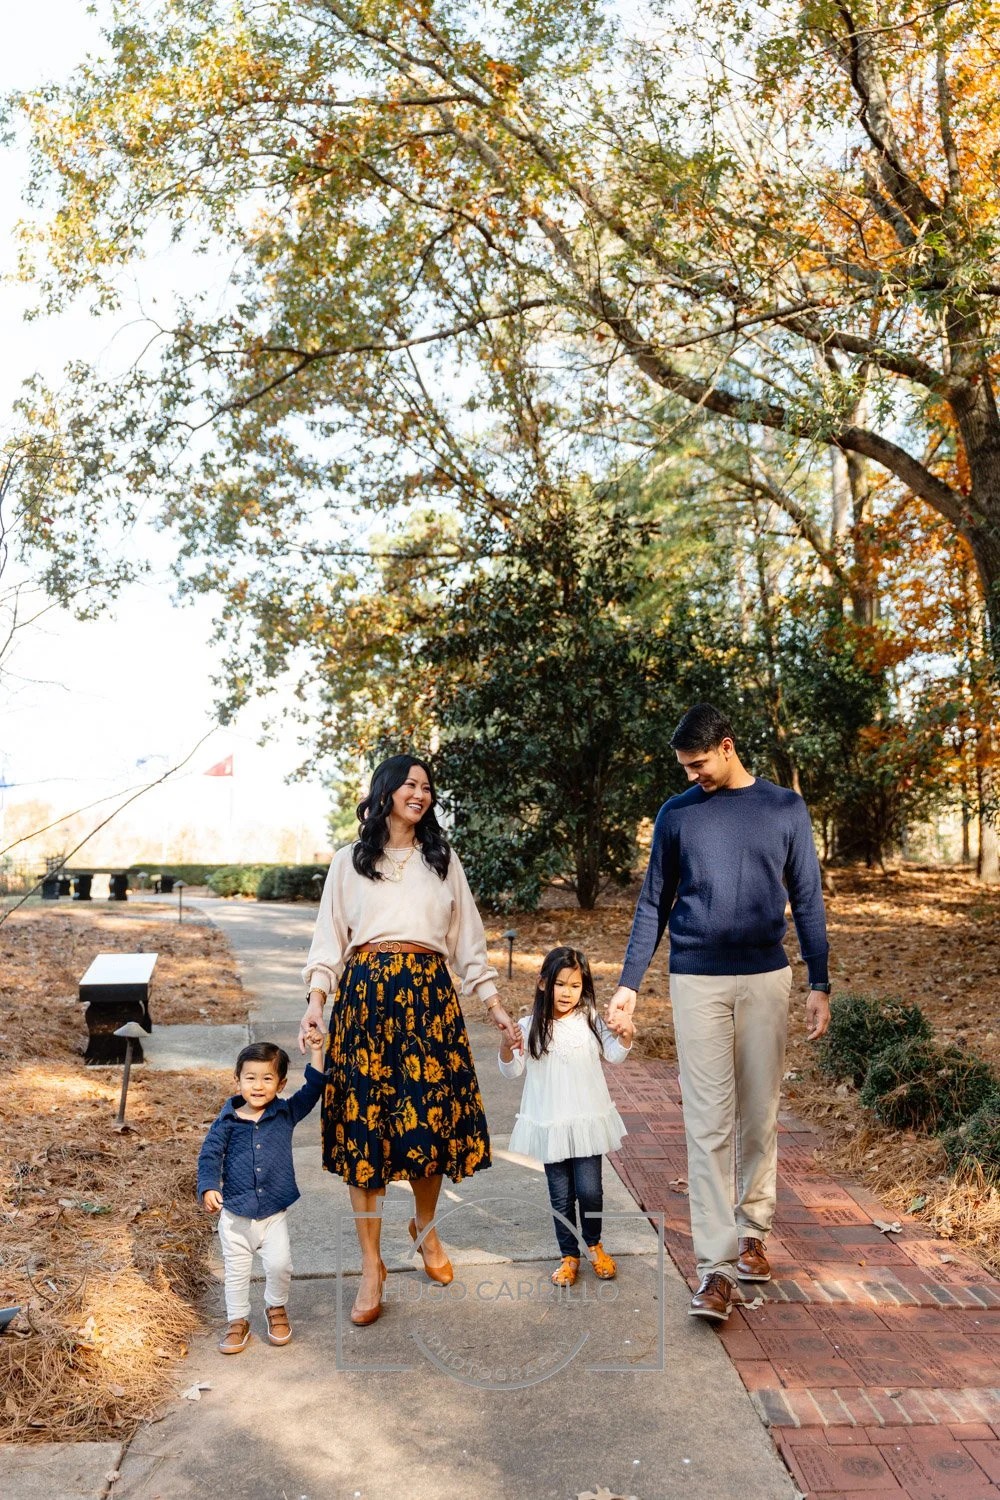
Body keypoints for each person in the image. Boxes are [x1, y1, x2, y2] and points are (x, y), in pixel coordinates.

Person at [606, 703, 831, 1324]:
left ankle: (754, 1231)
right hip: (696, 981)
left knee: (759, 1114)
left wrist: (821, 979)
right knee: (708, 1126)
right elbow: (653, 902)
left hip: (765, 977)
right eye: (684, 767)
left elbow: (807, 896)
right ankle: (715, 1270)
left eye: (698, 764)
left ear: (727, 747)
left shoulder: (784, 808)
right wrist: (629, 983)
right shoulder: (678, 815)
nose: (691, 777)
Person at [299, 754, 519, 1327]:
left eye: (427, 788)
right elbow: (329, 940)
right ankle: (371, 1266)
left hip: (428, 1004)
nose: (420, 794)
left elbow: (468, 941)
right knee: (364, 1136)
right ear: (386, 792)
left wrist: (495, 1007)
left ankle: (424, 1228)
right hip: (366, 1003)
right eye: (410, 785)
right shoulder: (349, 862)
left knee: (427, 1126)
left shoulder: (442, 861)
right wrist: (315, 1006)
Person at [499, 946, 634, 1286]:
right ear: (545, 984)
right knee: (560, 1194)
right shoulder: (529, 1026)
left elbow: (614, 1054)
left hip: (586, 1121)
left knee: (590, 1190)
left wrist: (626, 1036)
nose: (567, 993)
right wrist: (505, 1046)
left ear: (583, 987)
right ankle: (569, 1254)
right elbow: (512, 1070)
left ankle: (594, 1243)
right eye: (561, 984)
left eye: (575, 986)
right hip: (551, 1124)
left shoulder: (589, 1020)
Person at [197, 1034, 327, 1354]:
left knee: (280, 1265)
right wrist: (209, 1186)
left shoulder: (285, 1113)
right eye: (250, 1077)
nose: (257, 1085)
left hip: (272, 1214)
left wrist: (317, 1050)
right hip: (235, 1216)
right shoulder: (227, 1121)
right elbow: (209, 1156)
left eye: (267, 1078)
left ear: (280, 1084)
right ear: (237, 1080)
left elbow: (313, 1089)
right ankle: (238, 1321)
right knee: (237, 1274)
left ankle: (276, 1308)